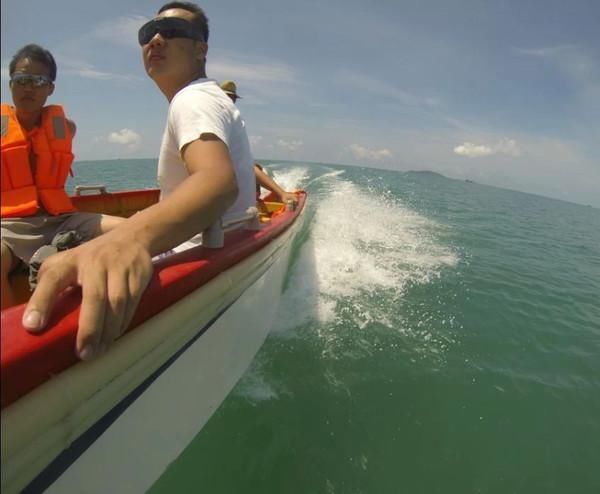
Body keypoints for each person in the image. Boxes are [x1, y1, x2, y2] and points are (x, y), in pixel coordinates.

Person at [22, 2, 256, 360]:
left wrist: (127, 240)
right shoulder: (208, 97)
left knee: (54, 255)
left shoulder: (192, 99)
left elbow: (217, 181)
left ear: (201, 49)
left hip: (193, 256)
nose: (156, 39)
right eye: (148, 33)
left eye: (173, 31)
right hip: (226, 242)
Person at [1, 44, 122, 309]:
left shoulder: (66, 128)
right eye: (21, 80)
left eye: (38, 81)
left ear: (50, 88)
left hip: (62, 221)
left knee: (131, 229)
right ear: (11, 84)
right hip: (9, 227)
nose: (29, 88)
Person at [219, 80, 299, 206]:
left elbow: (247, 166)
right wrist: (281, 193)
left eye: (232, 98)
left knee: (256, 167)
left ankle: (255, 200)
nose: (229, 101)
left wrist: (281, 193)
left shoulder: (232, 122)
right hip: (221, 196)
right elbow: (247, 167)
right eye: (226, 97)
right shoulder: (224, 122)